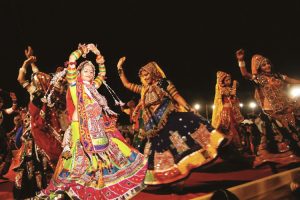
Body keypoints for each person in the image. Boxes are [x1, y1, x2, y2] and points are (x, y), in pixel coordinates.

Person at [37, 44, 147, 199]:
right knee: (77, 159)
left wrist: (99, 57)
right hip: (81, 128)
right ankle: (73, 188)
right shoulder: (75, 85)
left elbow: (102, 75)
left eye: (91, 71)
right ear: (79, 73)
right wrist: (82, 52)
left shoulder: (93, 87)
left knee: (114, 151)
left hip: (97, 129)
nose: (89, 73)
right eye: (86, 71)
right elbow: (71, 60)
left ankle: (105, 180)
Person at [117, 56, 225, 185]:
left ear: (153, 73)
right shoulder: (143, 90)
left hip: (169, 121)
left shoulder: (163, 83)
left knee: (179, 146)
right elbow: (126, 84)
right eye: (143, 76)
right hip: (153, 128)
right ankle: (171, 178)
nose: (145, 78)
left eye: (147, 75)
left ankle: (183, 172)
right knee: (160, 152)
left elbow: (176, 96)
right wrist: (119, 68)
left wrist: (188, 108)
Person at [235, 49, 300, 167]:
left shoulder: (278, 76)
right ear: (260, 68)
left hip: (285, 107)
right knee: (279, 133)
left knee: (292, 129)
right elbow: (245, 74)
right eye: (263, 65)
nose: (267, 66)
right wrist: (241, 61)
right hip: (270, 110)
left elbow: (292, 80)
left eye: (268, 63)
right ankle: (284, 157)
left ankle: (295, 154)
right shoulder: (259, 78)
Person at [212, 71, 244, 150]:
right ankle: (231, 146)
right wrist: (234, 85)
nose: (229, 81)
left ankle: (237, 146)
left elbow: (233, 98)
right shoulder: (221, 89)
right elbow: (232, 93)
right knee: (229, 128)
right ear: (222, 82)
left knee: (236, 127)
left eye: (229, 79)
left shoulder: (228, 88)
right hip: (226, 111)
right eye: (226, 80)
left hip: (232, 110)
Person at [0, 91, 17, 178]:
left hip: (2, 136)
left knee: (6, 154)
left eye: (1, 102)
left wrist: (14, 99)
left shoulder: (3, 112)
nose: (1, 104)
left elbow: (13, 109)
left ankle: (1, 173)